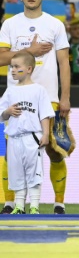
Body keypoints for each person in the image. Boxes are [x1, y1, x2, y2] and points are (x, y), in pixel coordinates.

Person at [0, 0, 71, 214]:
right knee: (12, 152)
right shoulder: (10, 24)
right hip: (17, 97)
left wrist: (65, 98)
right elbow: (1, 58)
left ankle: (59, 202)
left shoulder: (55, 25)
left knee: (53, 149)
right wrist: (28, 51)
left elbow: (64, 63)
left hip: (48, 97)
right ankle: (10, 203)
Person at [0, 51, 54, 214]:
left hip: (33, 137)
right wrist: (8, 111)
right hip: (15, 138)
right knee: (16, 173)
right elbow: (2, 114)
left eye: (17, 67)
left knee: (34, 171)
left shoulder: (39, 90)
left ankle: (35, 206)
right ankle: (19, 206)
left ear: (29, 69)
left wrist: (45, 134)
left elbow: (44, 113)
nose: (13, 70)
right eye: (11, 67)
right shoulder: (10, 91)